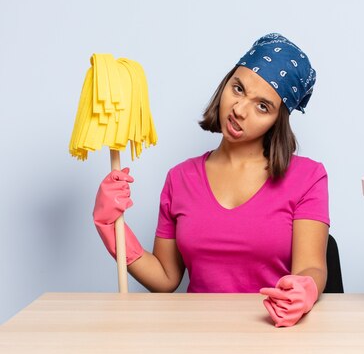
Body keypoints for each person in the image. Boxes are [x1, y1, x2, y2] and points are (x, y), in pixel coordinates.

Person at [92, 33, 330, 327]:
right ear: (226, 83)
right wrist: (110, 228)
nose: (239, 110)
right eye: (238, 88)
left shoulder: (307, 177)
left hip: (275, 333)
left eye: (262, 106)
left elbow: (311, 266)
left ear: (278, 119)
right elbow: (165, 279)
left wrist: (306, 287)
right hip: (198, 336)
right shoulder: (180, 178)